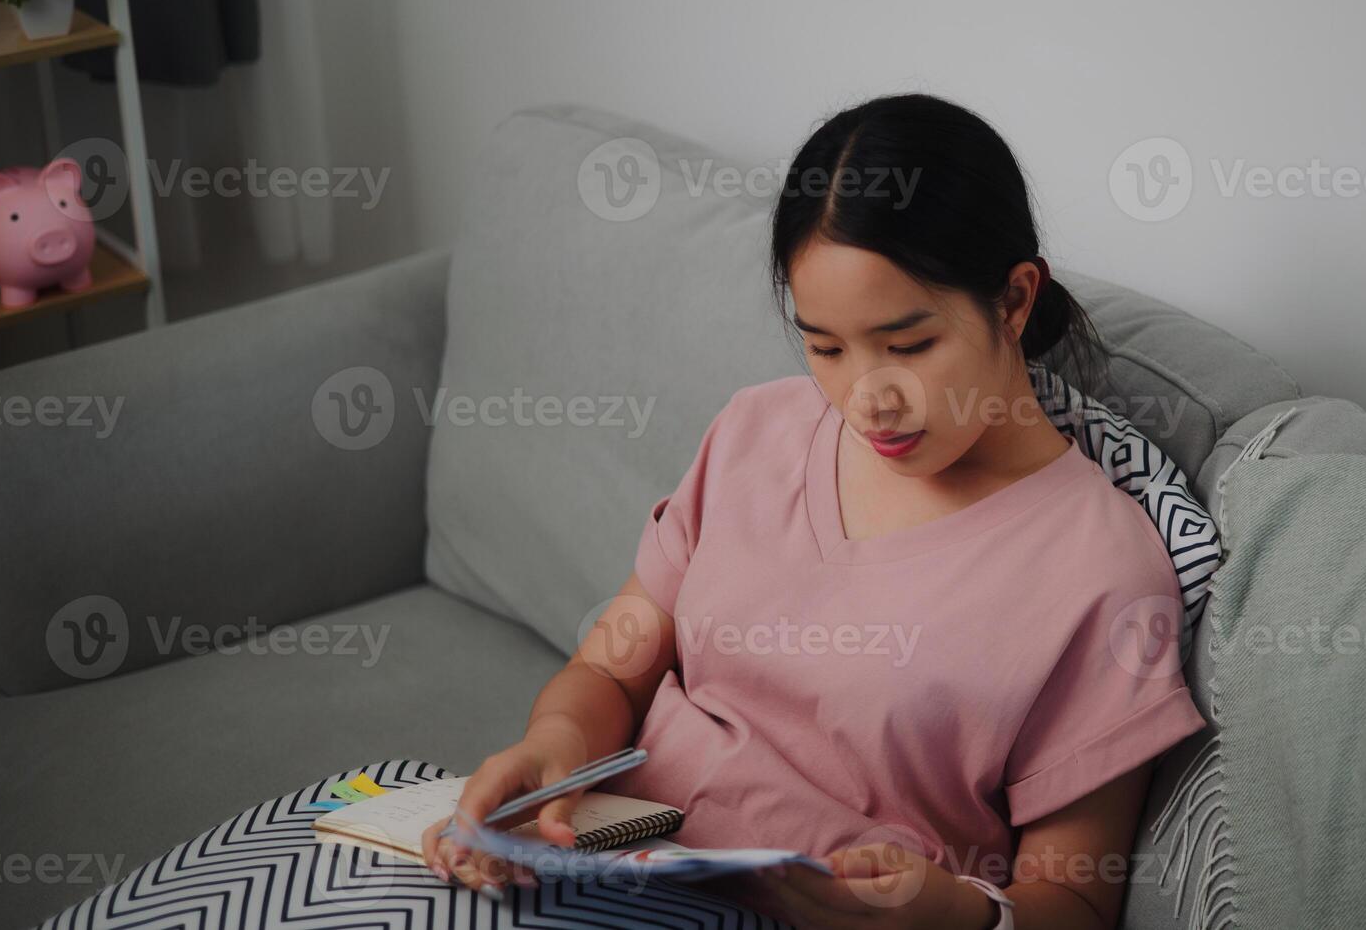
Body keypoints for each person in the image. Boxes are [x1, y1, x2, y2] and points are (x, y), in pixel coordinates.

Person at [423, 93, 1208, 930]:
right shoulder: (754, 433)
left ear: (1013, 301)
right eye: (825, 347)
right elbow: (616, 664)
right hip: (600, 869)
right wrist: (556, 744)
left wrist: (951, 914)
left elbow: (1077, 899)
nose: (865, 399)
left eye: (908, 347)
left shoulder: (1098, 569)